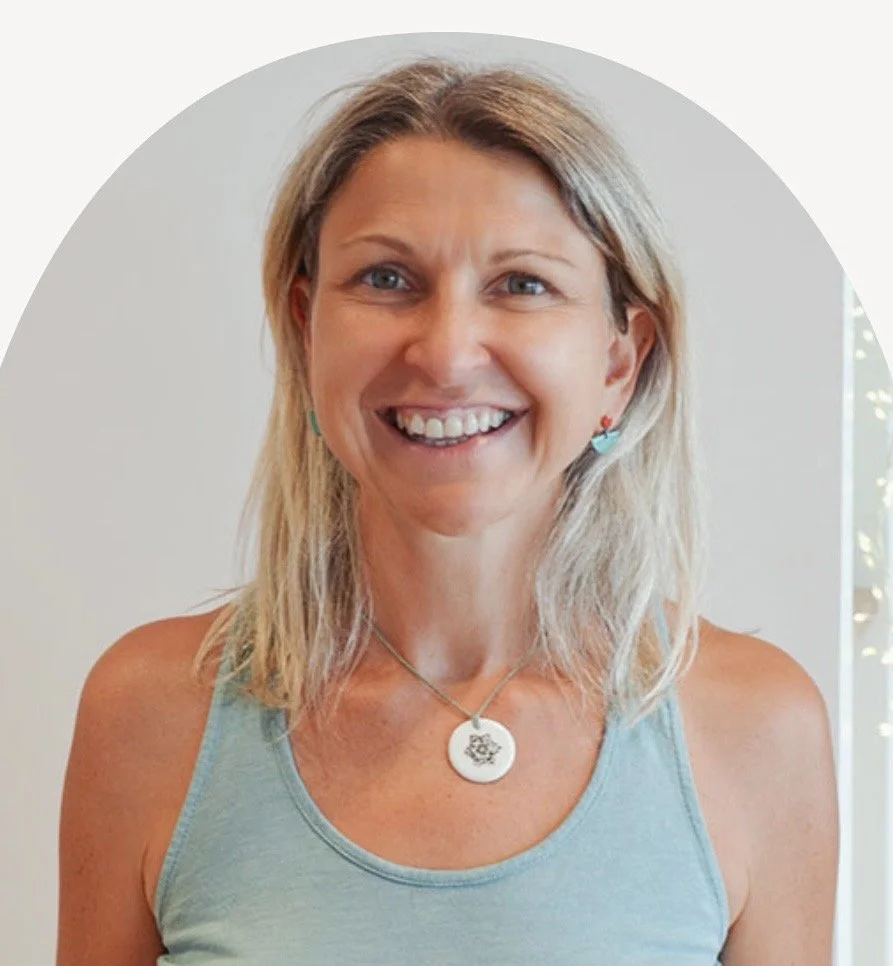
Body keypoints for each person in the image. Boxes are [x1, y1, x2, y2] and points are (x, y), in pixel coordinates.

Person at [56, 57, 839, 965]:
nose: (446, 351)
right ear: (307, 331)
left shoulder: (754, 728)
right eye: (387, 279)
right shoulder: (150, 714)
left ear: (619, 365)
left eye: (522, 283)